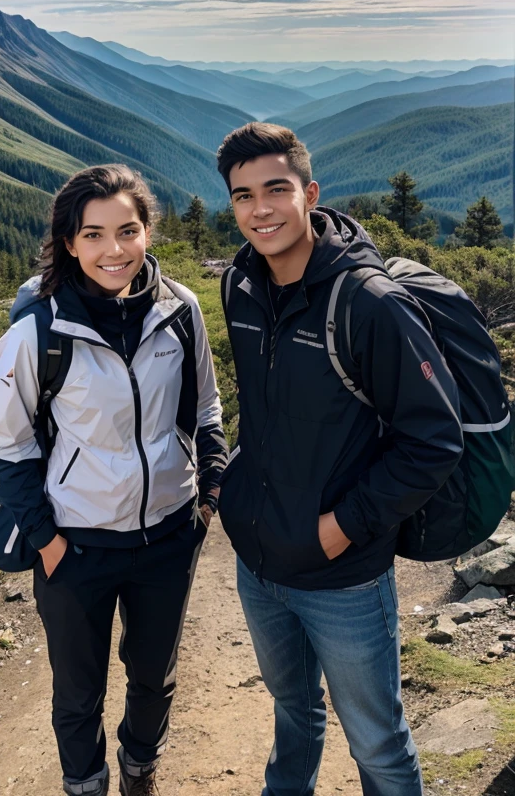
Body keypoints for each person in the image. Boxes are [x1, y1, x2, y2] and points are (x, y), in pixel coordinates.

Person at [215, 123, 463, 796]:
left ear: (310, 193)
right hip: (258, 563)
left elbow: (434, 439)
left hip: (343, 577)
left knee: (378, 744)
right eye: (242, 196)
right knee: (293, 708)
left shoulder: (369, 305)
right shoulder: (239, 288)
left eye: (276, 190)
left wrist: (341, 526)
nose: (259, 210)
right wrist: (232, 489)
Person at [0, 164, 228, 796]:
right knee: (78, 690)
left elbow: (205, 406)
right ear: (70, 242)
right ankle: (85, 783)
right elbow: (6, 445)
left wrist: (209, 494)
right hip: (75, 542)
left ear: (148, 232)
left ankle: (140, 770)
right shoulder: (38, 329)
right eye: (93, 235)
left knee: (154, 676)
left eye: (127, 231)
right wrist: (46, 540)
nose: (112, 250)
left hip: (169, 535)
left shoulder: (180, 310)